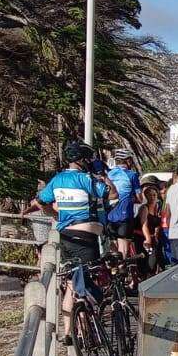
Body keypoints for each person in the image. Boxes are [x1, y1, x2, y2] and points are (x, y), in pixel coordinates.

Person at [32, 142, 116, 338]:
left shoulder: (58, 179)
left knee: (71, 282)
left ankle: (69, 333)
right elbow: (112, 193)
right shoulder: (85, 178)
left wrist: (55, 214)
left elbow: (40, 201)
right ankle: (85, 332)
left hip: (66, 236)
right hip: (87, 237)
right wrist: (103, 176)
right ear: (83, 160)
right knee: (86, 282)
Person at [105, 149, 139, 256]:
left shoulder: (109, 174)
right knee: (123, 250)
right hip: (125, 216)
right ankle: (122, 269)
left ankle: (114, 270)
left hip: (109, 216)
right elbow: (140, 198)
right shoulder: (132, 175)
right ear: (128, 161)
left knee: (113, 248)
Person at [137, 176, 165, 275]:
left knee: (157, 261)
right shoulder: (144, 208)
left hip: (154, 239)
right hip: (143, 239)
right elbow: (144, 224)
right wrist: (148, 238)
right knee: (149, 264)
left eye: (154, 194)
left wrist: (157, 230)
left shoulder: (158, 206)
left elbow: (158, 222)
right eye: (149, 194)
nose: (152, 197)